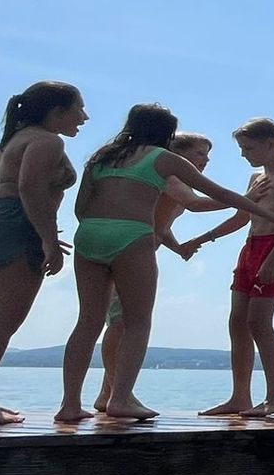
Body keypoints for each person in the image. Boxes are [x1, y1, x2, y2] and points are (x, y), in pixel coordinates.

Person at [55, 106, 274, 423]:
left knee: (87, 322)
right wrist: (271, 214)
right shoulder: (162, 157)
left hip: (89, 235)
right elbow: (215, 194)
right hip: (131, 236)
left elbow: (81, 206)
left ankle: (69, 405)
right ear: (166, 134)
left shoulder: (102, 156)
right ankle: (121, 399)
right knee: (137, 322)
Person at [0, 82, 88, 426]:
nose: (84, 117)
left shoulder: (8, 144)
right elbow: (29, 188)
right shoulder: (47, 140)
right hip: (12, 225)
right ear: (57, 112)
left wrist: (24, 226)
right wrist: (46, 238)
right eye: (78, 109)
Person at [91, 132, 229, 413]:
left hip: (135, 253)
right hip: (126, 253)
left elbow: (159, 224)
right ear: (178, 152)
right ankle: (120, 394)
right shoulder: (172, 177)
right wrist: (244, 199)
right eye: (200, 153)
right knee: (120, 324)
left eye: (208, 155)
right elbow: (197, 204)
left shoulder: (169, 179)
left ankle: (107, 394)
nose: (206, 160)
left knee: (121, 322)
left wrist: (178, 248)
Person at [183, 118, 274, 418]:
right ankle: (240, 397)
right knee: (237, 321)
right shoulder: (255, 179)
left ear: (271, 144)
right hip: (250, 248)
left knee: (258, 322)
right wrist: (203, 237)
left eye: (248, 148)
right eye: (242, 148)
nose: (243, 154)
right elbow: (242, 217)